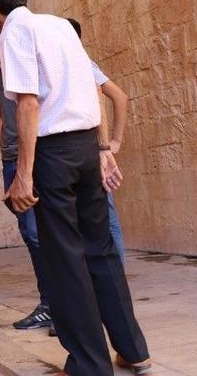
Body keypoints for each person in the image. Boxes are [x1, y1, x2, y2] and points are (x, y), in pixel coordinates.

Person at [0, 0, 151, 375]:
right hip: (86, 146)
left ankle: (90, 365)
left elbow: (28, 104)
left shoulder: (15, 31)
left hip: (53, 152)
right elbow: (91, 90)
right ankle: (133, 349)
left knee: (65, 260)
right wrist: (102, 148)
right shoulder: (58, 25)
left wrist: (24, 174)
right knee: (100, 249)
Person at [0, 20, 52, 330]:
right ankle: (50, 302)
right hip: (10, 159)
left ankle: (60, 304)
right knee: (30, 233)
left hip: (36, 155)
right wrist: (5, 149)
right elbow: (0, 116)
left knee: (44, 231)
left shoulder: (30, 64)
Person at [67, 18, 129, 264]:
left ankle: (117, 274)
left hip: (92, 150)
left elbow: (119, 97)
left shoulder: (81, 63)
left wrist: (115, 142)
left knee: (105, 216)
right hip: (86, 150)